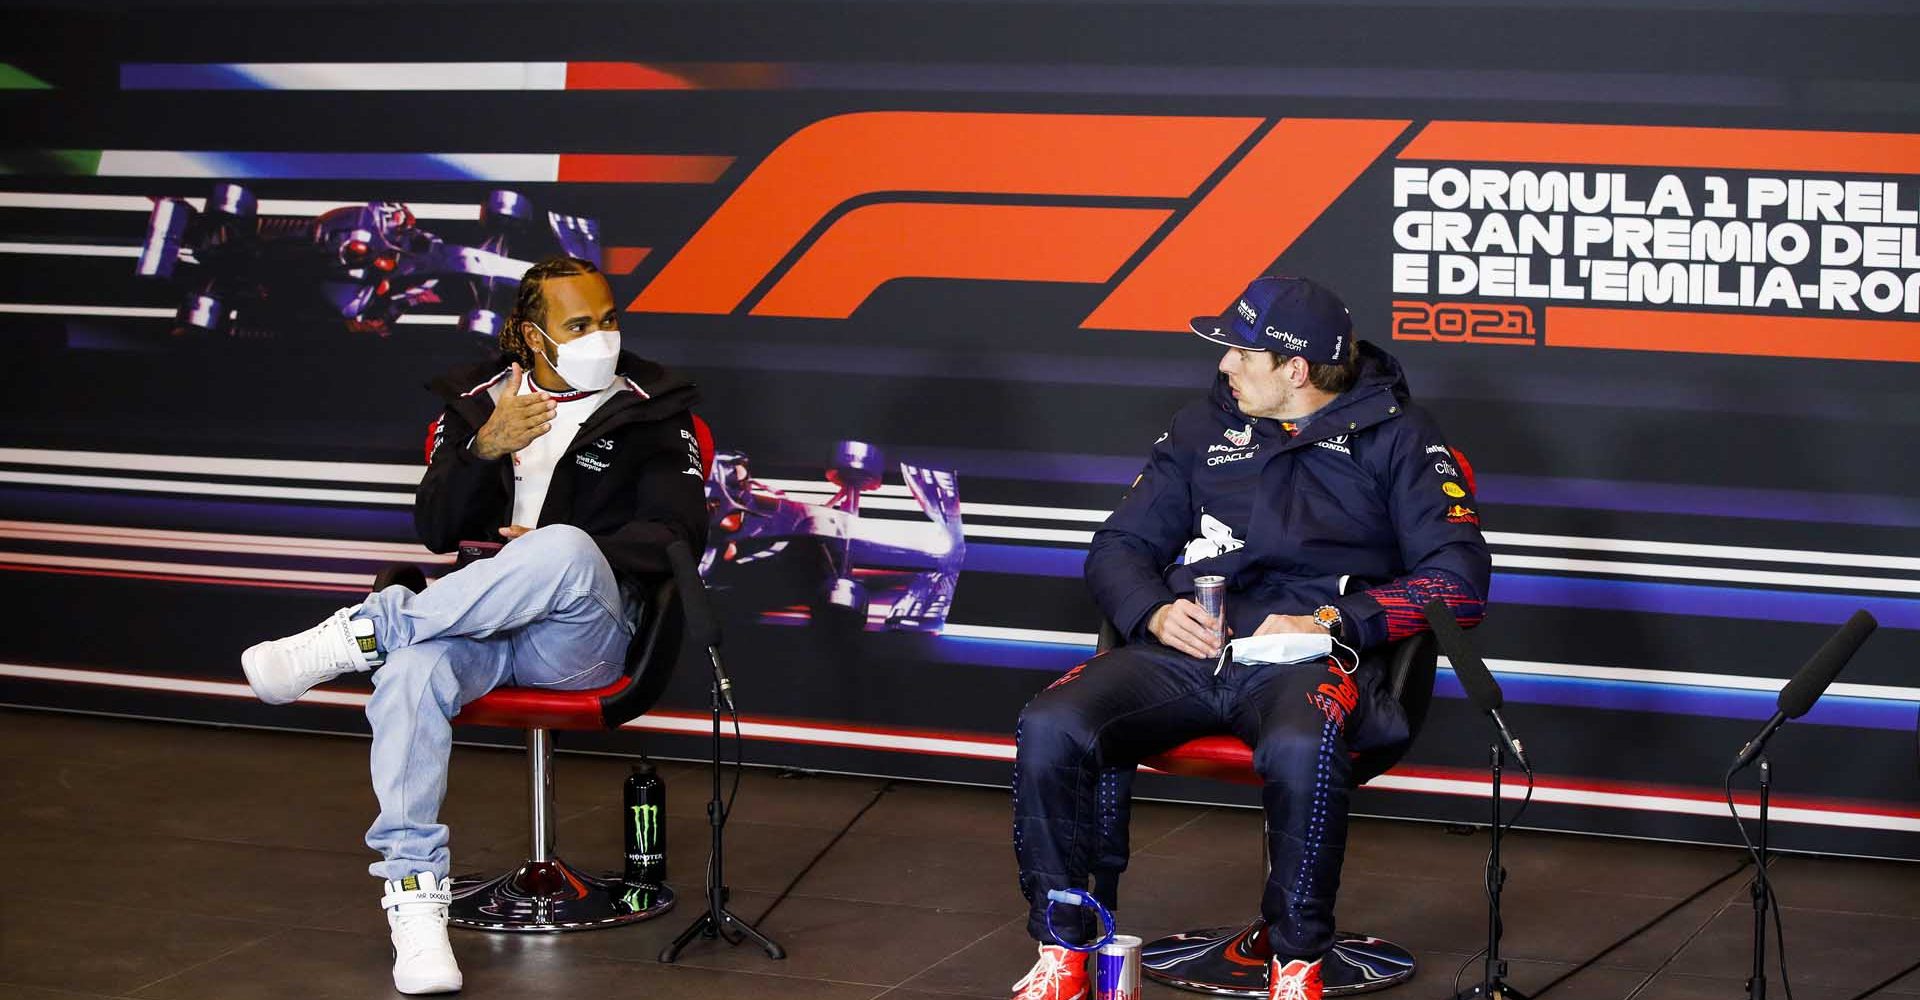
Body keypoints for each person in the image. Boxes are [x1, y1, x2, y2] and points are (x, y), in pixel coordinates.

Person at [1009, 276, 1491, 1000]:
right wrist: (1152, 612)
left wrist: (1333, 622)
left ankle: (1295, 963)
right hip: (1186, 653)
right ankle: (1064, 949)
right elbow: (1117, 547)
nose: (1225, 366)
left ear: (1295, 370)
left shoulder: (1401, 436)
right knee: (1051, 720)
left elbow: (1458, 577)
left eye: (1241, 352)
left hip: (1308, 661)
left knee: (1301, 744)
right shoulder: (1201, 428)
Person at [239, 256, 706, 994]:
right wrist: (482, 447)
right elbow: (435, 530)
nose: (602, 336)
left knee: (561, 547)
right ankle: (416, 905)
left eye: (609, 318)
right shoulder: (471, 405)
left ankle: (362, 633)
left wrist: (568, 553)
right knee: (414, 671)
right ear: (528, 335)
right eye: (579, 324)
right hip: (476, 629)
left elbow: (678, 534)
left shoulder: (653, 406)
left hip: (582, 637)